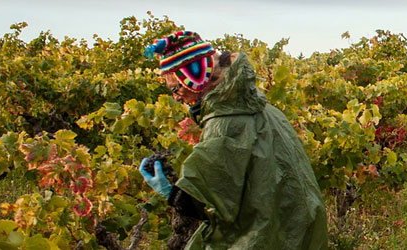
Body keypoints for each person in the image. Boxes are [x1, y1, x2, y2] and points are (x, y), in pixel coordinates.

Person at [138, 30, 329, 249]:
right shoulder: (264, 108)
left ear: (193, 79)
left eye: (175, 88)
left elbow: (210, 200)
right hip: (299, 228)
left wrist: (170, 193)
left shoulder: (226, 123)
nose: (176, 96)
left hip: (267, 237)